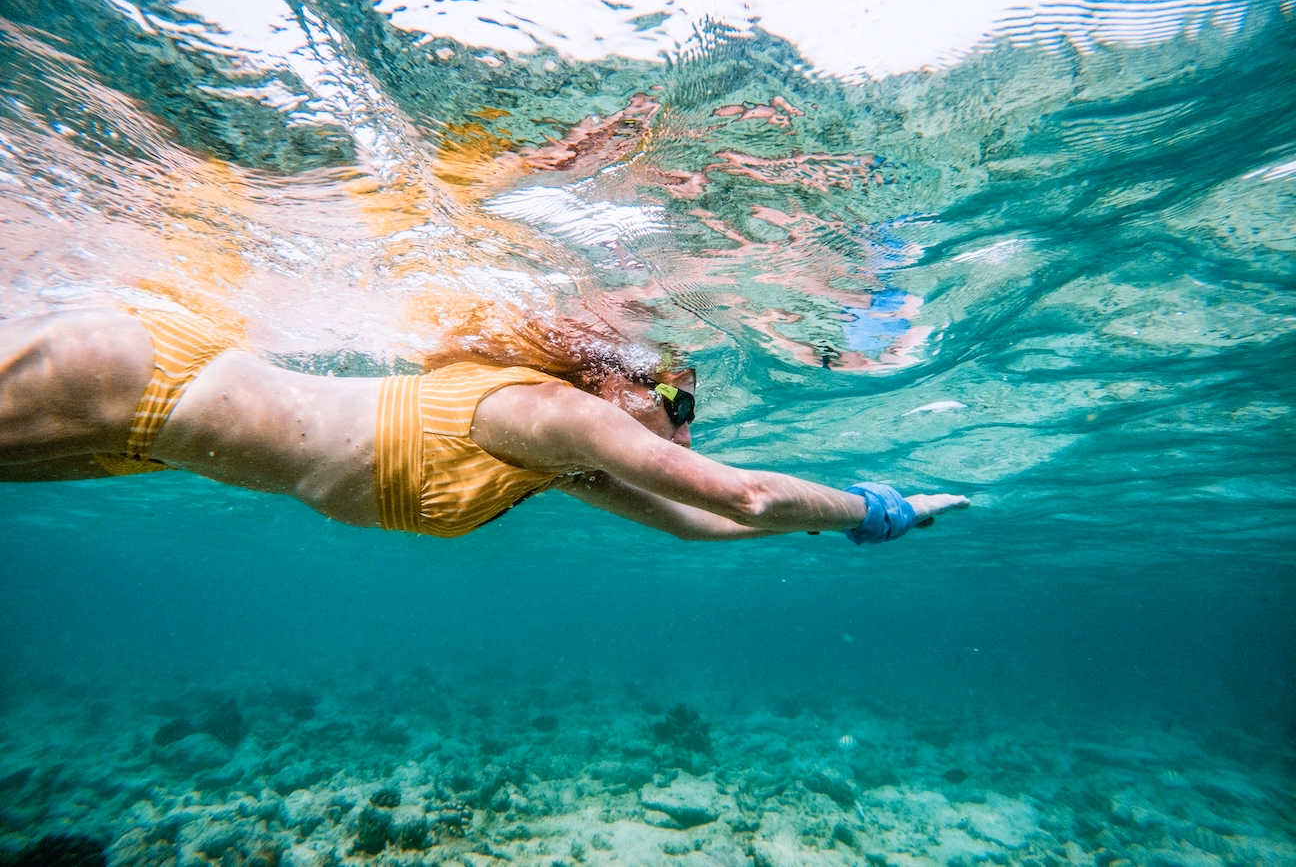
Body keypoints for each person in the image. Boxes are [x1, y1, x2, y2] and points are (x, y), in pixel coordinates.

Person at [0, 306, 969, 542]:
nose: (683, 422)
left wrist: (885, 519)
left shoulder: (555, 454)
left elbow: (702, 524)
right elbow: (745, 493)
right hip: (133, 382)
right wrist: (876, 508)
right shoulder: (546, 412)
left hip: (146, 442)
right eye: (673, 398)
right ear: (609, 381)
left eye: (691, 406)